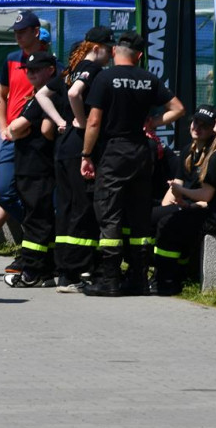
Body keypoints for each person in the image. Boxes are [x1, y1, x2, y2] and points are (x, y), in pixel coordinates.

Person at [79, 31, 185, 297]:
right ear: (139, 56)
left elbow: (94, 121)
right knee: (139, 215)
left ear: (115, 51)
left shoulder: (105, 78)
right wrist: (154, 122)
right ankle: (138, 278)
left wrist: (86, 154)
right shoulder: (149, 79)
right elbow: (178, 108)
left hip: (114, 152)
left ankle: (110, 279)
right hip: (141, 152)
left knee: (109, 213)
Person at [36, 26, 113, 293]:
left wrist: (61, 122)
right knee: (82, 207)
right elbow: (73, 94)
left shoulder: (70, 70)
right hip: (80, 144)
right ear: (96, 48)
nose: (111, 54)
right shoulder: (91, 69)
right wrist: (80, 120)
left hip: (64, 145)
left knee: (67, 207)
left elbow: (41, 94)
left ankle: (65, 269)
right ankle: (75, 272)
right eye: (108, 49)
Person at [154, 106, 216, 295]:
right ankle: (180, 271)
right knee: (180, 220)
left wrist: (180, 190)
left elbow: (206, 195)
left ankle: (166, 280)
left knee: (169, 225)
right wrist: (189, 204)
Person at [0, 12, 42, 263]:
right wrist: (3, 126)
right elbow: (0, 94)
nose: (18, 36)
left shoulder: (50, 63)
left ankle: (36, 241)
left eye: (22, 31)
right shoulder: (11, 60)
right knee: (2, 191)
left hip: (36, 139)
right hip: (11, 139)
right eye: (16, 32)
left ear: (36, 32)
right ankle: (36, 230)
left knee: (34, 193)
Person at [3, 52, 62, 288]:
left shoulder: (44, 97)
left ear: (50, 70)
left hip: (37, 167)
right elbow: (14, 129)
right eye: (28, 70)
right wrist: (15, 130)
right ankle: (46, 270)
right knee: (39, 218)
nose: (31, 74)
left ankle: (31, 271)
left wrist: (15, 130)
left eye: (36, 69)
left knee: (37, 221)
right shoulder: (37, 96)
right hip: (31, 166)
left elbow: (19, 128)